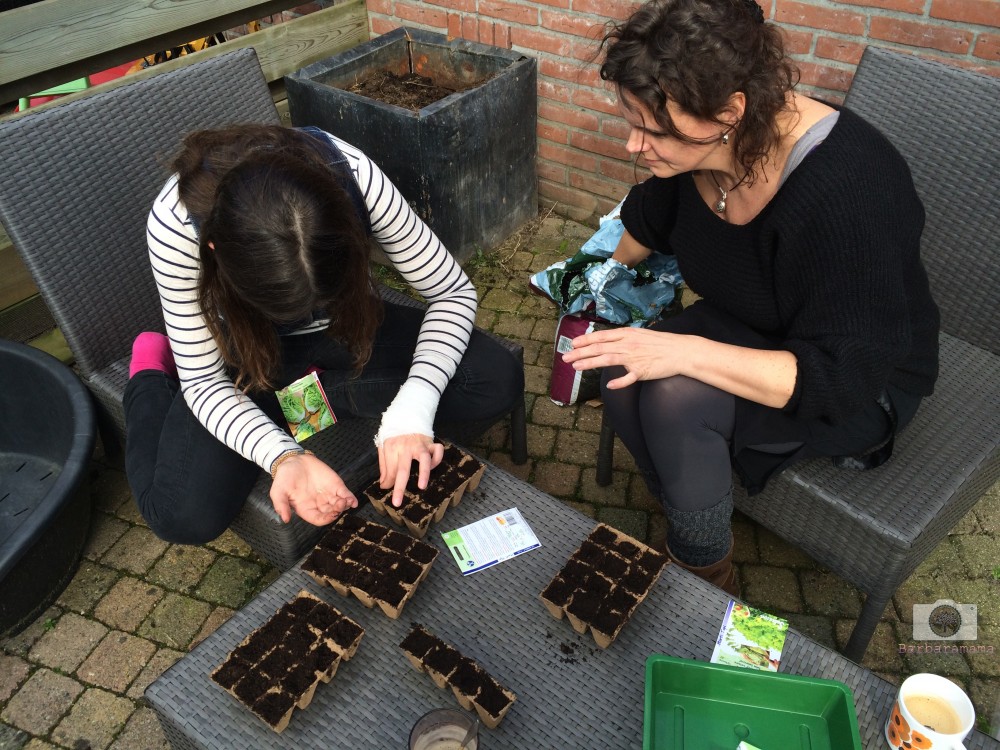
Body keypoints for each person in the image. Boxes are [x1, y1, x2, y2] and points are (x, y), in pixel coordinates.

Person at [562, 0, 939, 595]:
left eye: (653, 130)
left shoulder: (849, 191)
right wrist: (590, 281)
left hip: (857, 377)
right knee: (619, 367)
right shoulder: (695, 158)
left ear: (729, 112)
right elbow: (647, 220)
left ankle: (705, 575)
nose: (635, 145)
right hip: (754, 323)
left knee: (674, 397)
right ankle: (690, 497)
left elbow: (842, 377)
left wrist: (681, 353)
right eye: (631, 122)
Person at [126, 124, 524, 544]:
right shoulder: (175, 227)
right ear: (215, 252)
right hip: (247, 352)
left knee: (495, 378)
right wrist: (282, 456)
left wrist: (413, 408)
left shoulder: (356, 176)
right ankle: (151, 370)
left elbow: (452, 292)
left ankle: (297, 403)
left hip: (343, 328)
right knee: (180, 516)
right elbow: (204, 382)